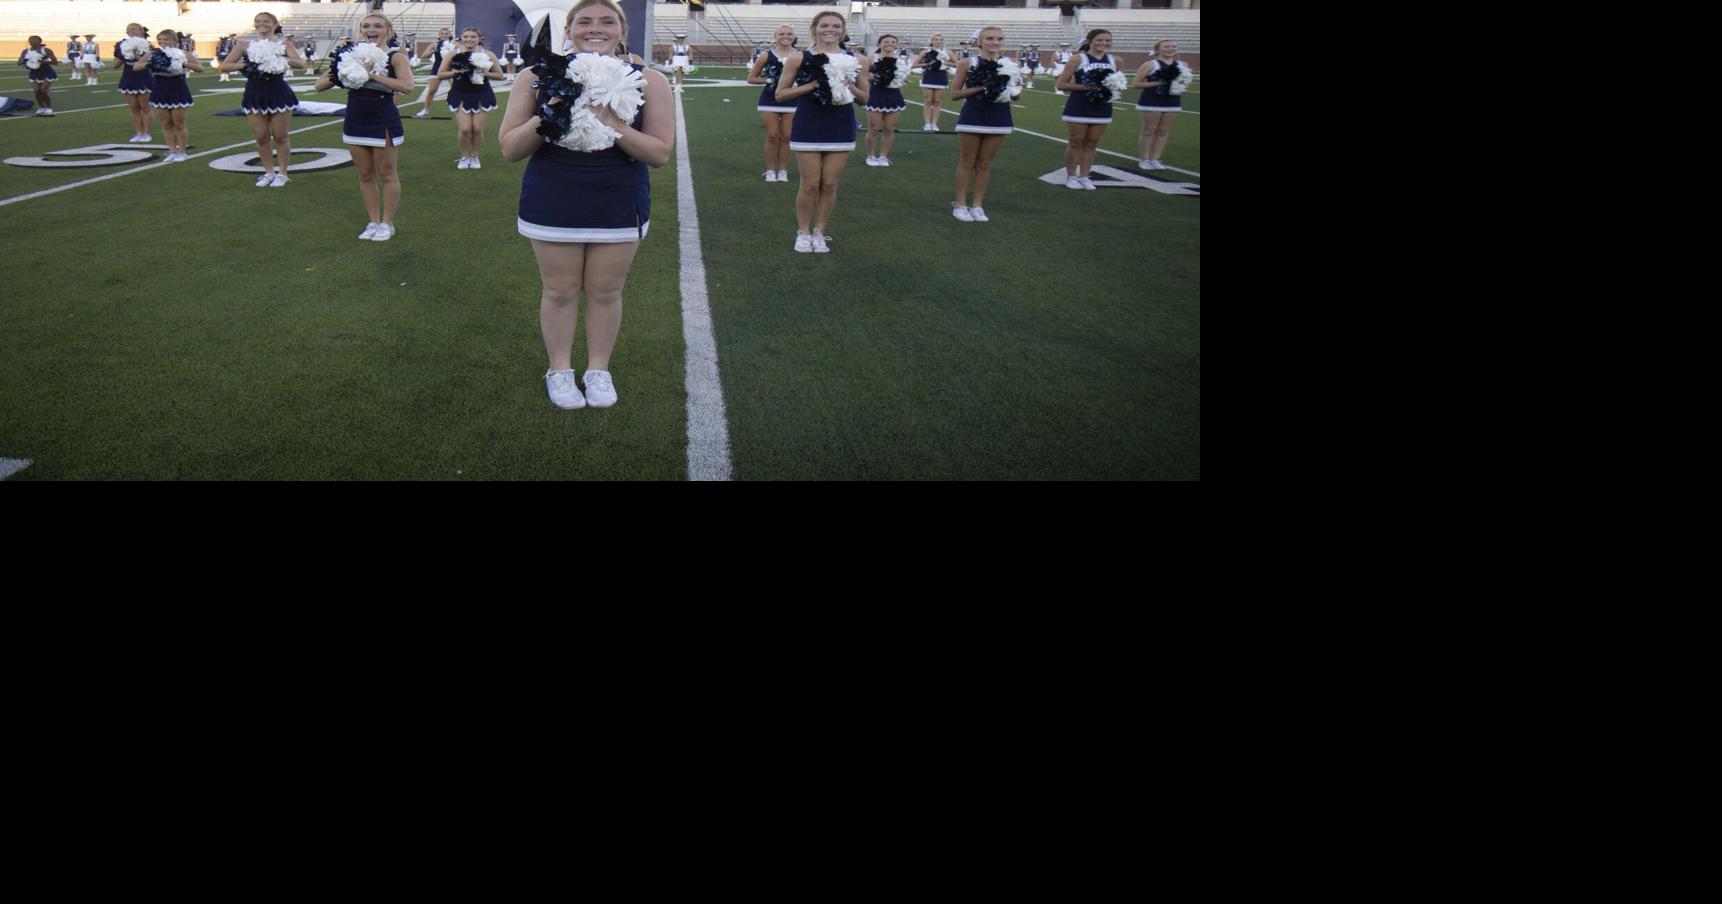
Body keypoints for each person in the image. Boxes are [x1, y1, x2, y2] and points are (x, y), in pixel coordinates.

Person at [500, 0, 673, 410]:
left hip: (618, 197)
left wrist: (611, 121)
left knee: (606, 291)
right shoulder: (535, 77)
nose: (595, 29)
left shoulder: (651, 80)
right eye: (584, 21)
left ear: (622, 31)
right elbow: (510, 149)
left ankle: (598, 369)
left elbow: (659, 153)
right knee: (559, 291)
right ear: (569, 30)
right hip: (553, 194)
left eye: (607, 21)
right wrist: (555, 107)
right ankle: (559, 370)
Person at [314, 12, 414, 241]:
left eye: (378, 25)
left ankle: (387, 224)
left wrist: (371, 75)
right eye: (366, 25)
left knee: (387, 174)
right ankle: (373, 222)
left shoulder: (395, 56)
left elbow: (407, 87)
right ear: (360, 30)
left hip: (382, 117)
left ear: (387, 30)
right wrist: (344, 70)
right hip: (355, 117)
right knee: (365, 174)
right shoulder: (348, 55)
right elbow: (318, 85)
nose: (371, 29)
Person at [775, 10, 868, 253]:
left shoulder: (858, 60)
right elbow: (781, 94)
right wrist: (814, 84)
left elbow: (864, 99)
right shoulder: (799, 57)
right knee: (809, 184)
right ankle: (803, 232)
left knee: (829, 184)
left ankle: (820, 232)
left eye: (836, 26)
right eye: (824, 25)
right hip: (809, 124)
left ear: (843, 30)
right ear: (815, 28)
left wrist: (848, 85)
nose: (830, 30)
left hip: (840, 125)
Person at [221, 11, 306, 188]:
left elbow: (299, 63)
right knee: (261, 137)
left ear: (274, 24)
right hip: (254, 92)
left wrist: (278, 58)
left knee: (280, 136)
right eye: (258, 21)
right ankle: (268, 172)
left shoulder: (284, 43)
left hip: (278, 92)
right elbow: (225, 66)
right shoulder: (244, 45)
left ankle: (282, 173)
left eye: (266, 21)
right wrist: (246, 65)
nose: (262, 24)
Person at [949, 26, 1014, 222]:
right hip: (973, 115)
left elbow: (1014, 94)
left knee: (985, 163)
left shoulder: (1009, 64)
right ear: (980, 41)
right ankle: (960, 205)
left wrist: (1012, 91)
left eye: (1000, 38)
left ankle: (977, 205)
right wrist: (983, 87)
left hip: (1000, 116)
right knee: (967, 161)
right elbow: (955, 94)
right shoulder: (967, 62)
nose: (995, 42)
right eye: (990, 38)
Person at [1055, 29, 1117, 191]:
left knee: (1092, 143)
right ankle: (1071, 176)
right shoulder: (1077, 59)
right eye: (1099, 40)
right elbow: (1061, 84)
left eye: (1107, 40)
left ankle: (1085, 176)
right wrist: (1086, 87)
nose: (1104, 43)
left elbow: (1118, 83)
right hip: (1079, 105)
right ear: (1090, 41)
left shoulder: (1115, 60)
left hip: (1102, 106)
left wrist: (1111, 88)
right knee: (1076, 142)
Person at [437, 27, 503, 170]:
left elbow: (499, 75)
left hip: (482, 93)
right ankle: (464, 156)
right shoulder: (453, 54)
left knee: (477, 129)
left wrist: (482, 72)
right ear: (461, 38)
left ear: (479, 39)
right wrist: (458, 72)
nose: (469, 39)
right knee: (466, 129)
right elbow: (440, 74)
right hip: (460, 93)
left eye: (473, 37)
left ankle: (474, 156)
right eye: (466, 36)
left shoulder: (488, 54)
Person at [136, 29, 202, 161]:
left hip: (178, 88)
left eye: (165, 39)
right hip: (160, 88)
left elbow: (200, 68)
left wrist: (182, 63)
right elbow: (136, 67)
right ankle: (172, 150)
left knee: (179, 123)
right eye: (160, 40)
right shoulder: (153, 54)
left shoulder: (183, 53)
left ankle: (182, 151)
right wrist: (151, 63)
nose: (162, 42)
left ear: (175, 40)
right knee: (166, 123)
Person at [746, 24, 797, 183]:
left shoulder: (801, 55)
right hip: (770, 99)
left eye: (789, 34)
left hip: (793, 99)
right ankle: (770, 171)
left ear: (794, 36)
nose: (785, 36)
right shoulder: (766, 55)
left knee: (787, 137)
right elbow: (751, 78)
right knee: (772, 135)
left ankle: (782, 170)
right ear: (775, 36)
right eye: (781, 34)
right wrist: (769, 80)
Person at [1132, 39, 1190, 171]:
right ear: (1158, 49)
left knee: (1163, 132)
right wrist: (1159, 83)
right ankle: (1145, 159)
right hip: (1152, 101)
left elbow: (1184, 82)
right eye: (1167, 46)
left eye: (1174, 46)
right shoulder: (1150, 64)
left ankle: (1155, 159)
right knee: (1149, 131)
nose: (1170, 49)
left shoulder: (1182, 65)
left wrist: (1180, 85)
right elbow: (1136, 84)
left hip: (1172, 101)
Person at [863, 34, 906, 167]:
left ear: (896, 45)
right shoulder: (871, 59)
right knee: (874, 128)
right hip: (876, 95)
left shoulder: (901, 61)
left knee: (889, 128)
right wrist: (877, 77)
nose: (889, 44)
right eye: (886, 41)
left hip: (893, 95)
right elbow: (862, 77)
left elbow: (903, 78)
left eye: (893, 42)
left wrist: (900, 79)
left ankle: (883, 156)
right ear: (879, 44)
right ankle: (870, 156)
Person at [116, 24, 155, 139]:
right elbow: (115, 65)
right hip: (128, 76)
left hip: (143, 76)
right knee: (133, 107)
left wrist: (135, 55)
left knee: (145, 106)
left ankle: (147, 133)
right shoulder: (122, 45)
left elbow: (151, 63)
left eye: (133, 29)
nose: (130, 31)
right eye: (128, 29)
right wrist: (122, 56)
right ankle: (138, 132)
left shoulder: (148, 45)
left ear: (141, 31)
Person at [412, 26, 454, 118]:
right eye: (442, 34)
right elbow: (423, 56)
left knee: (456, 89)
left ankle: (454, 104)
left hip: (450, 69)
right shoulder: (434, 44)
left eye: (446, 34)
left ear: (450, 35)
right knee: (431, 91)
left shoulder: (454, 44)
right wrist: (434, 51)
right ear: (439, 35)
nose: (444, 35)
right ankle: (426, 110)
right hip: (437, 69)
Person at [916, 32, 950, 132]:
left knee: (938, 101)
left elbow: (957, 64)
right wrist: (928, 64)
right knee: (928, 100)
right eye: (936, 39)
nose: (938, 41)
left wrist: (944, 63)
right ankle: (927, 124)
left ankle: (934, 124)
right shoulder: (926, 52)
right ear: (931, 41)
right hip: (929, 76)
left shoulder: (947, 52)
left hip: (941, 77)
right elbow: (915, 64)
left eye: (941, 40)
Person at [19, 37, 59, 116]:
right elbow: (20, 61)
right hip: (34, 73)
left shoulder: (46, 50)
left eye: (34, 40)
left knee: (43, 90)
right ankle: (41, 107)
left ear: (40, 41)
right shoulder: (26, 51)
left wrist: (44, 62)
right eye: (30, 41)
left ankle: (48, 107)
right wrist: (25, 63)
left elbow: (55, 62)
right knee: (36, 91)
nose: (32, 42)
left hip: (47, 72)